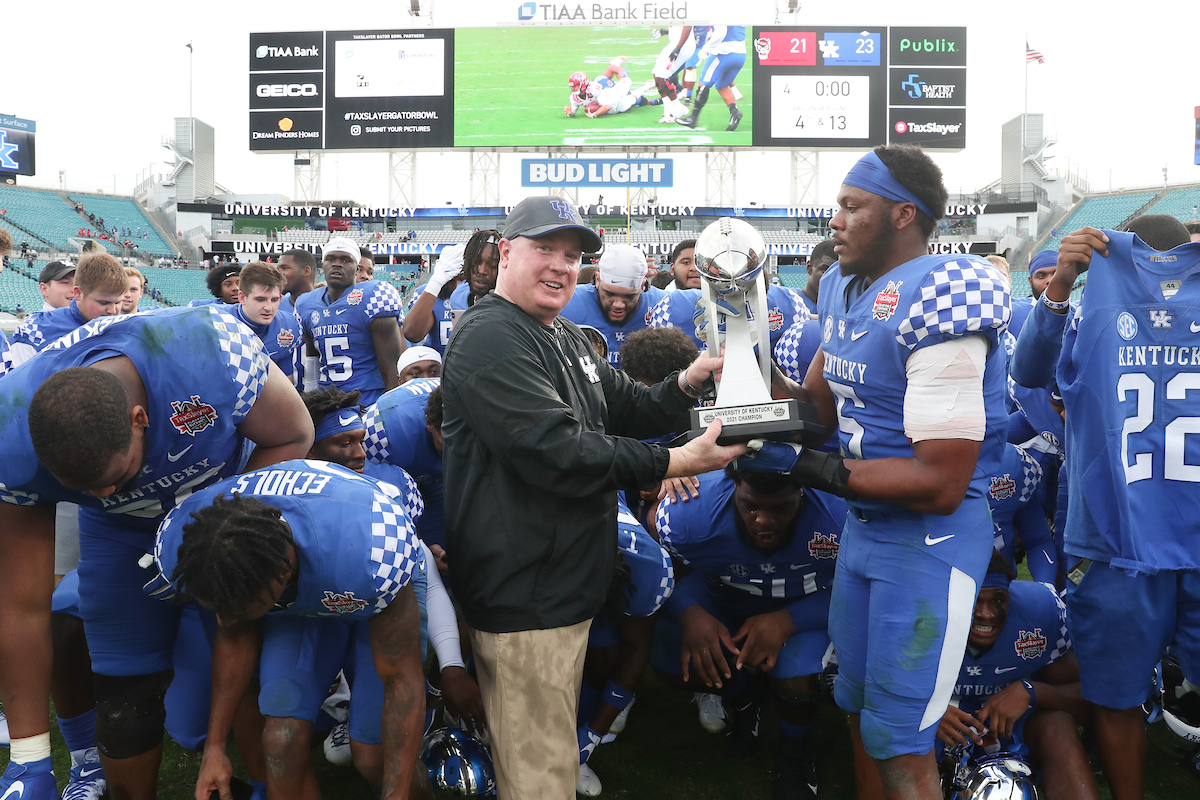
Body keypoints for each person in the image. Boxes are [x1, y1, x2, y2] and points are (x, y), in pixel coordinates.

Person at [439, 196, 747, 798]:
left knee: (546, 746)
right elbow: (559, 450)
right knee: (538, 773)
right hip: (523, 589)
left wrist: (688, 381)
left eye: (573, 255)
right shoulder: (491, 336)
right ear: (506, 252)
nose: (561, 265)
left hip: (560, 580)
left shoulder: (565, 334)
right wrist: (678, 460)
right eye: (545, 249)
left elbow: (628, 405)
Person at [770, 145, 1010, 800]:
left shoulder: (942, 297)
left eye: (853, 206)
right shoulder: (854, 289)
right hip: (866, 532)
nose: (836, 221)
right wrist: (736, 356)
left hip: (927, 542)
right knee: (856, 709)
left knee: (900, 742)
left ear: (903, 214)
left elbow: (938, 483)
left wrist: (799, 464)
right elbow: (814, 411)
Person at [0, 306, 313, 800]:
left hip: (220, 507)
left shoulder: (211, 352)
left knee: (251, 663)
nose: (104, 492)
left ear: (139, 419)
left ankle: (262, 784)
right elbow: (20, 605)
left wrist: (216, 524)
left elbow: (294, 434)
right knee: (125, 691)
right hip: (119, 535)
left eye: (115, 477)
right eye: (85, 488)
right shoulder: (9, 428)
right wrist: (29, 754)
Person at [1010, 217, 1199, 800]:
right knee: (1114, 694)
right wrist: (1060, 287)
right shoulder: (1093, 307)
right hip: (1116, 535)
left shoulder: (1097, 305)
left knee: (1116, 698)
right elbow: (1029, 373)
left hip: (1134, 535)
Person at [146, 461, 427, 800]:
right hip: (300, 592)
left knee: (373, 757)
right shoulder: (194, 536)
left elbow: (401, 678)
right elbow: (234, 635)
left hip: (362, 570)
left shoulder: (374, 552)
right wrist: (215, 748)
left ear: (280, 575)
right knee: (281, 740)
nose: (223, 619)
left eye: (238, 608)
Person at [654, 466, 846, 800]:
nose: (763, 521)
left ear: (802, 490)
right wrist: (688, 612)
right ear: (732, 487)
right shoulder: (688, 512)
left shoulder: (841, 514)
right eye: (751, 506)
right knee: (671, 657)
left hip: (806, 602)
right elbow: (658, 569)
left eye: (780, 508)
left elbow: (864, 588)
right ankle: (746, 699)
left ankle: (795, 751)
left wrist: (788, 620)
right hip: (722, 599)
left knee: (794, 672)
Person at [936, 553, 1096, 800]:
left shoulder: (1037, 613)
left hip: (1011, 726)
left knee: (1058, 725)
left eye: (998, 600)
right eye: (974, 600)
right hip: (933, 724)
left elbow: (1092, 702)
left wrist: (1031, 690)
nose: (987, 614)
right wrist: (925, 712)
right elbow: (868, 697)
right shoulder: (920, 617)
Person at [297, 236, 405, 406]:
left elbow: (393, 368)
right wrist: (310, 397)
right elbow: (312, 358)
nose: (337, 264)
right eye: (330, 259)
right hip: (326, 401)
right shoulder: (306, 303)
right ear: (322, 265)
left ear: (356, 268)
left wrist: (390, 406)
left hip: (367, 399)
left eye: (346, 260)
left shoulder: (373, 296)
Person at [10, 252, 129, 367]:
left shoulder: (121, 327)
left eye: (118, 302)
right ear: (79, 293)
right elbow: (15, 382)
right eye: (65, 282)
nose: (113, 311)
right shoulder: (34, 331)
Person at [561, 243, 666, 367]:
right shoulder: (567, 302)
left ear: (643, 286)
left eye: (629, 296)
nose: (618, 304)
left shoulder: (662, 304)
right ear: (598, 280)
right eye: (610, 294)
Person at [233, 262, 302, 381]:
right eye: (260, 299)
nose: (269, 307)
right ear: (242, 298)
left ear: (280, 298)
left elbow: (285, 384)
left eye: (274, 300)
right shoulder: (219, 321)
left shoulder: (289, 326)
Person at [677, 26, 747, 131]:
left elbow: (721, 31)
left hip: (724, 52)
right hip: (740, 54)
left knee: (704, 84)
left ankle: (693, 118)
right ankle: (734, 112)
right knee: (722, 85)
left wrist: (706, 49)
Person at [650, 26, 696, 123]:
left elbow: (687, 27)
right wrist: (667, 32)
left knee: (662, 74)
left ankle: (678, 108)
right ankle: (667, 112)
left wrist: (678, 48)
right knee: (656, 73)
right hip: (676, 43)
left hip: (683, 45)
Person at [1008, 251, 1057, 340]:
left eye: (1056, 274)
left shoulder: (1078, 315)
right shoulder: (1012, 315)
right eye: (1041, 276)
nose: (1050, 281)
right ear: (1031, 281)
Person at [800, 240, 837, 318]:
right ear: (809, 268)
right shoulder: (791, 304)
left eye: (838, 272)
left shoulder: (844, 310)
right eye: (825, 270)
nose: (831, 276)